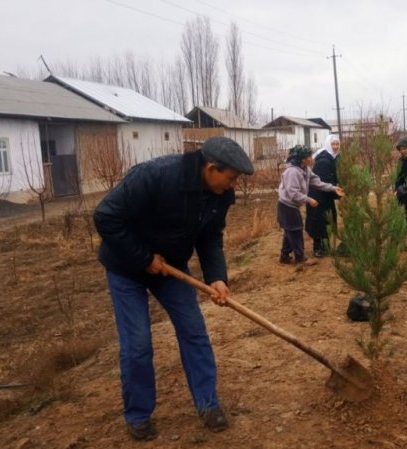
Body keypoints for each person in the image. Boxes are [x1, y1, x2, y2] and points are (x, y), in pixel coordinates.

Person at [93, 137, 254, 440]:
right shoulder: (155, 176)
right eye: (231, 178)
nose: (233, 185)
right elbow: (105, 216)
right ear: (211, 168)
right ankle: (139, 414)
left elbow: (210, 237)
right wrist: (142, 258)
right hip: (126, 266)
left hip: (172, 268)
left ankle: (208, 404)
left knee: (194, 331)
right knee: (138, 343)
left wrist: (217, 277)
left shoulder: (219, 194)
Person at [279, 144, 345, 265]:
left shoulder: (305, 169)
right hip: (287, 205)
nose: (311, 158)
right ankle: (300, 258)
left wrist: (333, 188)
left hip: (292, 204)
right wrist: (309, 199)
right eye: (308, 157)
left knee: (291, 229)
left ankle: (284, 255)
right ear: (302, 159)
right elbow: (293, 193)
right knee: (296, 229)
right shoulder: (293, 172)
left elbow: (317, 183)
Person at [305, 134, 341, 257]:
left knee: (327, 220)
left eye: (337, 144)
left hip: (326, 195)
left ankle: (325, 247)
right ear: (328, 145)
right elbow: (323, 181)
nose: (335, 147)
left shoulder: (333, 157)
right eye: (333, 144)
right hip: (317, 195)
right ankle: (317, 248)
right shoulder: (324, 160)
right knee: (318, 221)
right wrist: (337, 191)